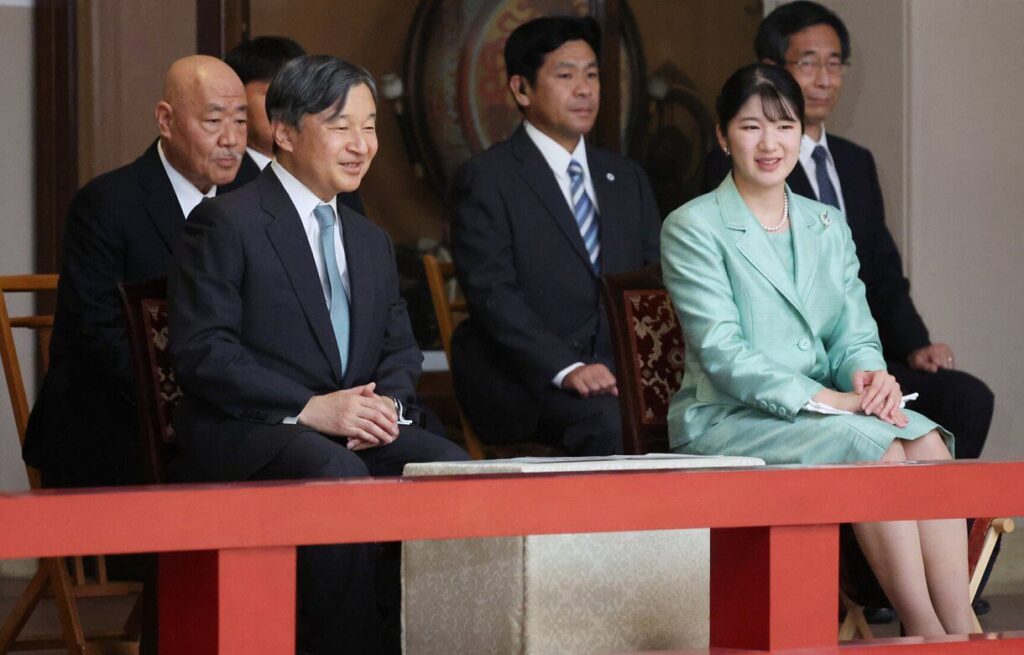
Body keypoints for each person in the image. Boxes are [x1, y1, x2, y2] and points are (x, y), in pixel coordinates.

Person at [168, 55, 467, 655]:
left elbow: (400, 349)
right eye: (340, 126)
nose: (361, 145)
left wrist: (384, 407)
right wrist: (311, 408)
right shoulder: (226, 223)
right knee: (339, 479)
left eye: (371, 126)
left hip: (353, 429)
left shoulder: (370, 238)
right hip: (252, 429)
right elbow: (202, 352)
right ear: (283, 130)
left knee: (450, 468)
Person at [662, 63, 975, 637]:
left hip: (828, 412)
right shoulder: (693, 227)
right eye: (751, 127)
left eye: (783, 126)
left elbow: (854, 331)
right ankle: (923, 630)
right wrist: (832, 401)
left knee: (926, 438)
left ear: (801, 133)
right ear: (721, 135)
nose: (769, 143)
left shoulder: (827, 223)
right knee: (876, 446)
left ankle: (960, 629)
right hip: (729, 418)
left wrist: (869, 379)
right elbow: (723, 352)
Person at [702, 1, 994, 462]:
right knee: (882, 442)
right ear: (771, 69)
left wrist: (912, 346)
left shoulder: (855, 161)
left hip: (849, 358)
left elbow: (879, 271)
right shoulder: (742, 170)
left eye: (834, 63)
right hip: (779, 377)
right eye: (808, 62)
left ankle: (936, 530)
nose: (823, 78)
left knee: (964, 400)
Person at [23, 55, 249, 489]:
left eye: (240, 122)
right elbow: (96, 336)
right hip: (117, 412)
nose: (232, 141)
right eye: (213, 121)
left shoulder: (251, 200)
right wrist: (197, 395)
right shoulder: (108, 204)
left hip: (223, 413)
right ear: (166, 120)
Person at [450, 16, 661, 455]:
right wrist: (567, 367)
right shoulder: (488, 178)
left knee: (704, 419)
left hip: (622, 377)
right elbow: (492, 294)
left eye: (592, 74)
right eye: (566, 75)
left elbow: (654, 282)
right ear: (521, 89)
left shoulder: (625, 177)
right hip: (530, 381)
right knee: (612, 425)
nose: (584, 89)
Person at [225, 35, 365, 213]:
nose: (290, 106)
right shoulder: (224, 176)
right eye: (272, 94)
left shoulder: (332, 173)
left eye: (300, 96)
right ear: (236, 96)